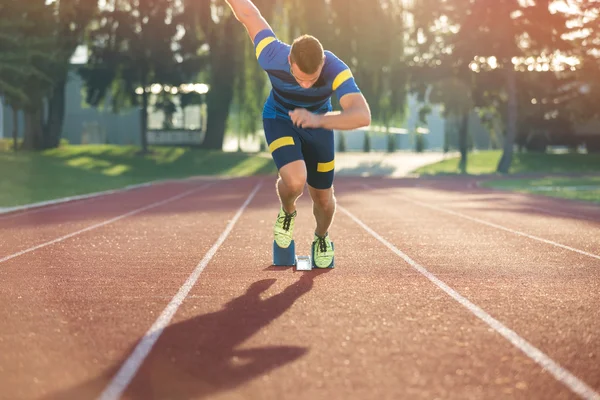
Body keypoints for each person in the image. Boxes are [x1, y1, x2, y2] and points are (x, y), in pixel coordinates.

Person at [224, 0, 371, 268]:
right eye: (300, 77)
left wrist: (317, 119)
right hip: (279, 118)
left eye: (312, 79)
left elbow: (363, 115)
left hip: (319, 125)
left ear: (323, 62)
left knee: (324, 200)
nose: (305, 84)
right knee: (295, 180)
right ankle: (288, 212)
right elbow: (247, 13)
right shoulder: (271, 54)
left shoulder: (335, 69)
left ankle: (321, 237)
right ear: (289, 60)